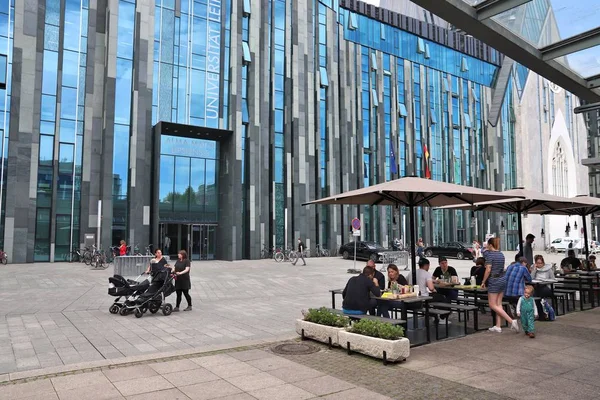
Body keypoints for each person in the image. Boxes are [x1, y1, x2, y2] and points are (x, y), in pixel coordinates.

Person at [482, 237, 519, 333]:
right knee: (498, 304)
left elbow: (488, 269)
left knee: (492, 304)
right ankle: (498, 326)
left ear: (490, 245)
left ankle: (511, 321)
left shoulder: (490, 255)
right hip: (502, 279)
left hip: (494, 280)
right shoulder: (501, 254)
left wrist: (483, 281)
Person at [407, 258, 450, 324]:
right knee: (442, 298)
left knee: (436, 298)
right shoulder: (426, 274)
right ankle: (442, 318)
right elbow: (431, 288)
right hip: (423, 297)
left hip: (413, 297)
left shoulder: (412, 272)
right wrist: (433, 289)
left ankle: (434, 315)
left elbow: (406, 281)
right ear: (427, 265)